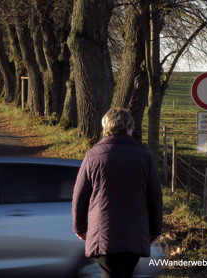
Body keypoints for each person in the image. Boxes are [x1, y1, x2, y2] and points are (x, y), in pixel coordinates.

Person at [72, 108, 163, 278]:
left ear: (106, 127)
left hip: (104, 233)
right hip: (135, 233)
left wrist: (80, 227)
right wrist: (154, 230)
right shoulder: (145, 157)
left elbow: (80, 196)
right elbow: (155, 198)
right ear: (129, 128)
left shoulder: (93, 156)